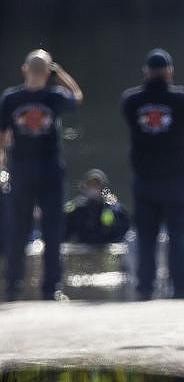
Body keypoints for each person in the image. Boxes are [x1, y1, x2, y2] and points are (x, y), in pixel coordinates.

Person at [0, 49, 83, 301]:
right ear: (47, 72)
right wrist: (62, 75)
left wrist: (2, 163)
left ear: (25, 70)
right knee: (52, 228)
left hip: (21, 168)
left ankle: (13, 285)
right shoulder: (54, 96)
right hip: (49, 168)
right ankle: (51, 287)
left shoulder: (11, 98)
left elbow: (2, 136)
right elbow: (77, 97)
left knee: (18, 228)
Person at [121, 48, 184, 300]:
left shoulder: (131, 101)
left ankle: (145, 289)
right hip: (176, 180)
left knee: (146, 239)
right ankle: (182, 288)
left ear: (146, 72)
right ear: (170, 72)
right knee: (178, 238)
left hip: (145, 182)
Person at [64, 168, 130, 244]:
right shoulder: (76, 208)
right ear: (84, 188)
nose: (93, 189)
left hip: (107, 250)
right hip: (80, 251)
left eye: (96, 186)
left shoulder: (114, 208)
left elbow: (123, 229)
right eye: (91, 186)